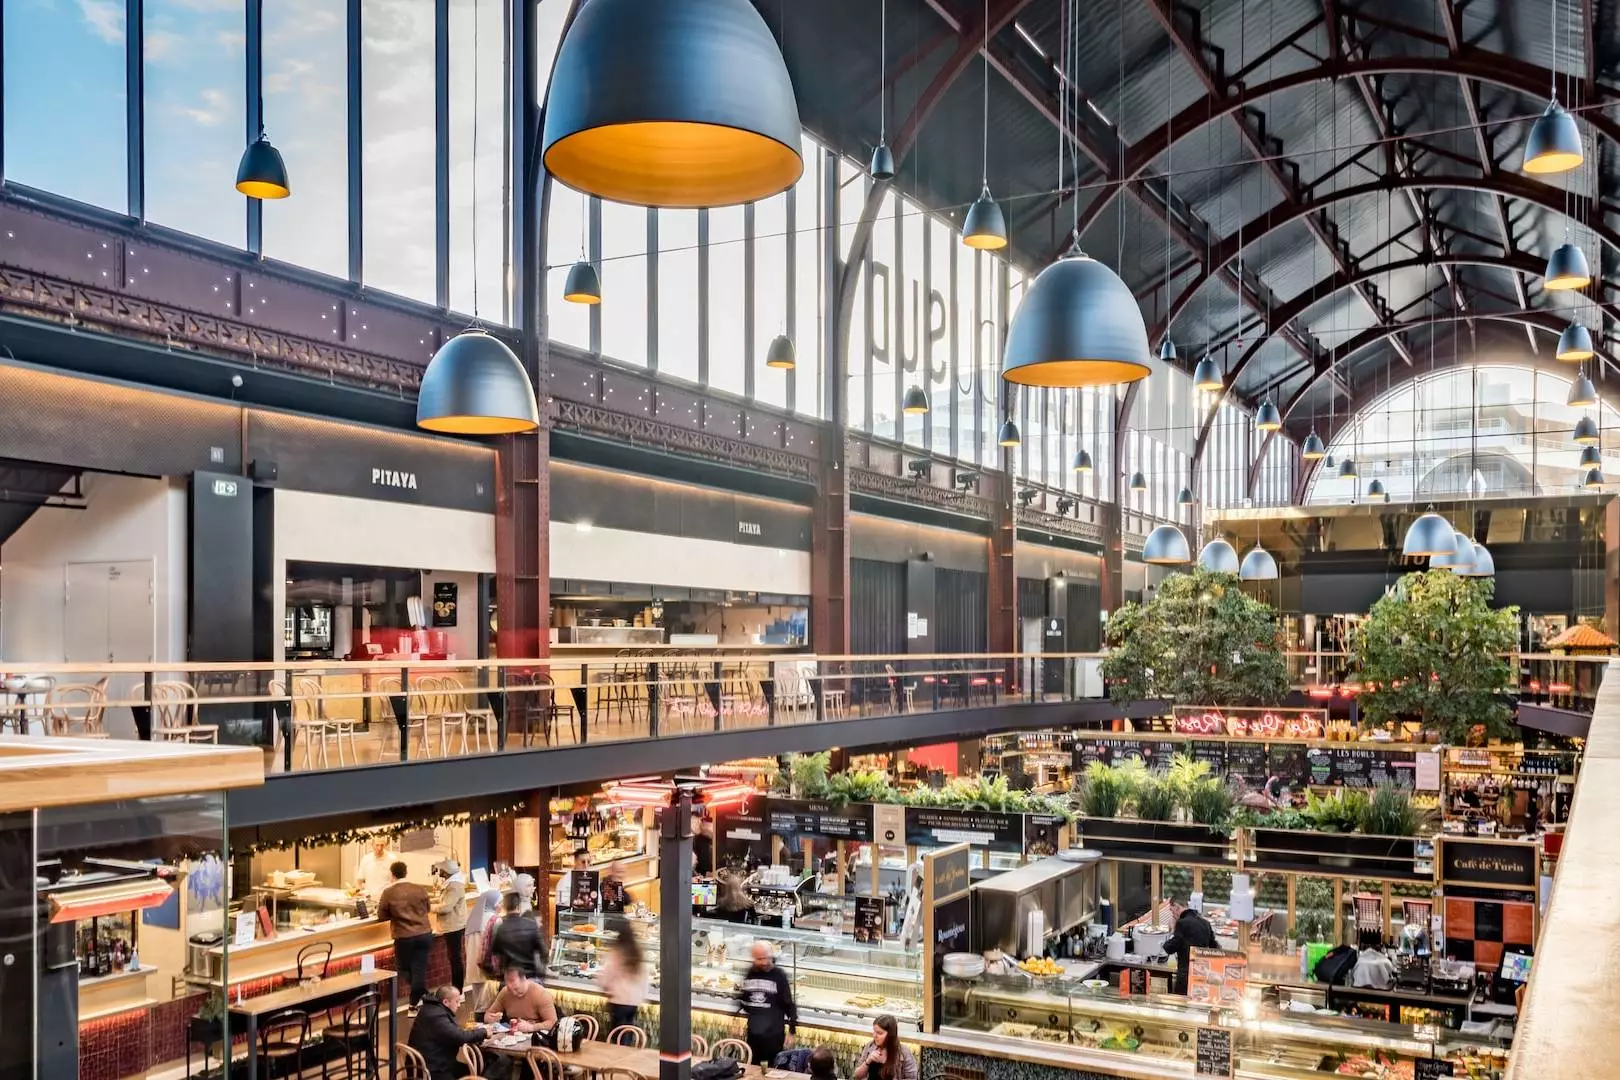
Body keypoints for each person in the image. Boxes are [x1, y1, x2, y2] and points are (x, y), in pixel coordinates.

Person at [377, 860, 434, 1009]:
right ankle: (422, 998)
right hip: (424, 933)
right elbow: (428, 908)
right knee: (418, 969)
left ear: (392, 874)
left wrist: (395, 914)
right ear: (406, 872)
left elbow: (381, 915)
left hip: (404, 936)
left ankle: (416, 1002)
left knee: (402, 968)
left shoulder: (388, 892)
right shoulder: (420, 889)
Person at [737, 940, 797, 1068]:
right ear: (753, 958)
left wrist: (792, 1030)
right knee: (753, 1068)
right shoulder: (749, 973)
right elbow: (743, 999)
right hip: (753, 1034)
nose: (763, 962)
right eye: (759, 959)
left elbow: (789, 1004)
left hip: (773, 1035)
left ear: (771, 956)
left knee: (773, 1069)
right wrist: (737, 1017)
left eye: (765, 958)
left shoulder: (779, 975)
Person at [407, 985, 485, 1080]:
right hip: (430, 1070)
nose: (459, 1005)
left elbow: (451, 1032)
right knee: (473, 1075)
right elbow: (459, 1037)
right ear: (446, 1002)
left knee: (471, 1071)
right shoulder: (436, 1016)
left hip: (427, 1062)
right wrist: (483, 1032)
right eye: (457, 1001)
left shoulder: (430, 1008)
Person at [596, 918, 648, 1029]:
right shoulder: (638, 951)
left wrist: (605, 988)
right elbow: (644, 977)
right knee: (627, 1032)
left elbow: (606, 974)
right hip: (634, 1002)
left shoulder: (616, 952)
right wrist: (641, 995)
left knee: (617, 1034)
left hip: (618, 1000)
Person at [489, 890, 546, 977]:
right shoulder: (531, 924)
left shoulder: (500, 928)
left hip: (510, 978)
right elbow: (543, 951)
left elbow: (496, 952)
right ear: (518, 906)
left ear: (505, 907)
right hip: (530, 976)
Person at [484, 965, 558, 1032]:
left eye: (516, 989)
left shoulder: (541, 994)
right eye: (510, 989)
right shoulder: (505, 992)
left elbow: (553, 1023)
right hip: (512, 1037)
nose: (514, 993)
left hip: (535, 1038)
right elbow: (488, 1015)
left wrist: (532, 1027)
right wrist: (491, 1019)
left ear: (524, 979)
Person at [1164, 906, 1218, 996]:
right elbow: (1215, 947)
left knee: (1181, 1005)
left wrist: (1172, 930)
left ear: (1178, 908)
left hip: (1185, 974)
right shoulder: (1206, 923)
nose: (1173, 916)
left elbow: (1170, 948)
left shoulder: (1182, 923)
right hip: (1202, 973)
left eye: (1173, 913)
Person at [432, 858, 468, 992]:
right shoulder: (452, 884)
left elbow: (446, 907)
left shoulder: (454, 886)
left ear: (446, 872)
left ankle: (458, 989)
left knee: (455, 958)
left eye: (441, 870)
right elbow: (444, 900)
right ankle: (457, 989)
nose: (439, 871)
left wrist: (429, 907)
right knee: (454, 958)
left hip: (453, 927)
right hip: (453, 926)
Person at [464, 888, 503, 1011]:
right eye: (499, 902)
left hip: (474, 966)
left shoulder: (472, 919)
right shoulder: (495, 920)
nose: (501, 906)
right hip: (488, 967)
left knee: (478, 1003)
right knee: (490, 1004)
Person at [852, 1014, 917, 1080]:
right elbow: (857, 1077)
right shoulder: (870, 1046)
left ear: (890, 1035)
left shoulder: (904, 1052)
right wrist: (867, 1062)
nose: (875, 1036)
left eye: (879, 1033)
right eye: (874, 1031)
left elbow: (912, 1078)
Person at [357, 833, 399, 903]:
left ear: (385, 845)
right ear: (372, 845)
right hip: (369, 900)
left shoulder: (392, 859)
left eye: (382, 845)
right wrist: (359, 894)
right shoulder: (366, 859)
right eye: (377, 845)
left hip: (386, 900)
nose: (379, 848)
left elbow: (397, 881)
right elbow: (359, 881)